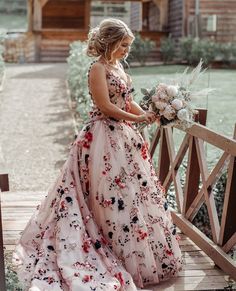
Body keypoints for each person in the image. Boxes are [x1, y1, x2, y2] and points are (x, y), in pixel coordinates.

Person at [13, 18, 183, 291]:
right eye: (123, 45)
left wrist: (146, 114)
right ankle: (100, 244)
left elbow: (126, 100)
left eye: (128, 46)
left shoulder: (119, 67)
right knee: (105, 194)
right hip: (102, 138)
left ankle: (129, 253)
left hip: (124, 139)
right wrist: (136, 119)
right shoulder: (97, 69)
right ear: (109, 41)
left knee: (129, 194)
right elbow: (105, 107)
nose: (126, 50)